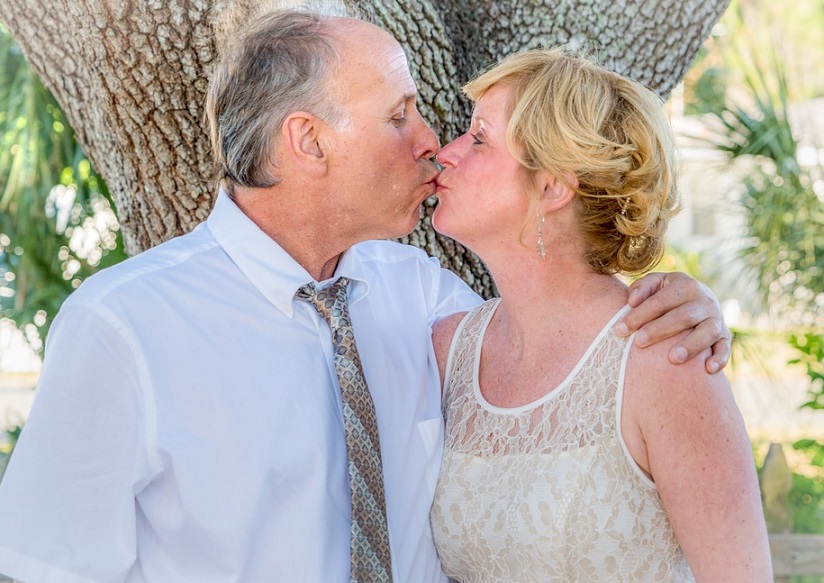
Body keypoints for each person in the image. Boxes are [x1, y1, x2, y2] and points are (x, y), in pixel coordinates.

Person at [0, 7, 730, 583]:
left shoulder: (427, 302)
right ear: (308, 142)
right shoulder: (121, 329)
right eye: (398, 114)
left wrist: (688, 305)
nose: (431, 139)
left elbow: (565, 342)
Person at [428, 48, 772, 581]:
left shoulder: (665, 357)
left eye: (479, 138)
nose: (446, 152)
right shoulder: (447, 351)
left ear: (552, 186)